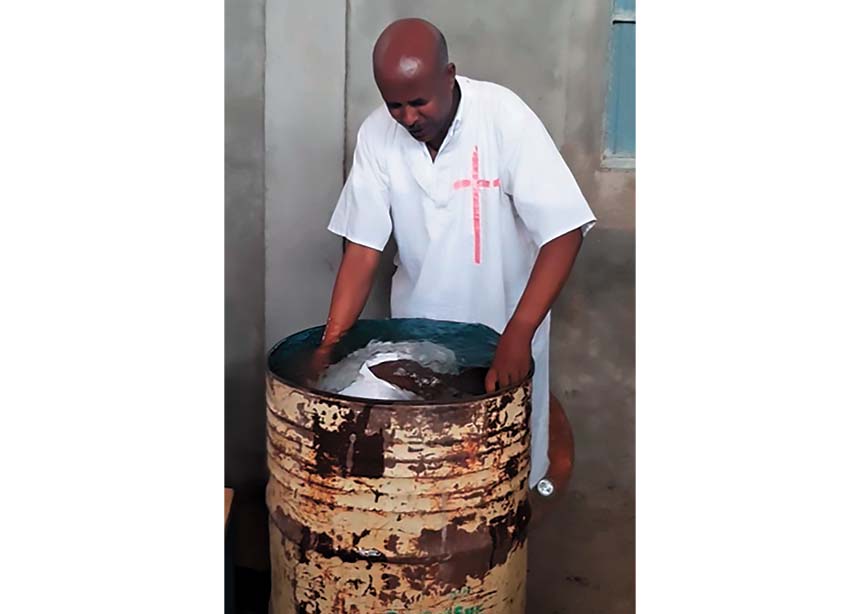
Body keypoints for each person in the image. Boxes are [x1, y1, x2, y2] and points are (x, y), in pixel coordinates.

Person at [317, 18, 595, 488]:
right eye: (395, 105)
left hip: (502, 337)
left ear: (449, 76)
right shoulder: (376, 136)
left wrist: (519, 331)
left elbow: (564, 231)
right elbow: (363, 249)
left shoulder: (503, 117)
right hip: (419, 337)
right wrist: (329, 344)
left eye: (419, 102)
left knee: (499, 477)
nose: (407, 118)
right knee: (428, 478)